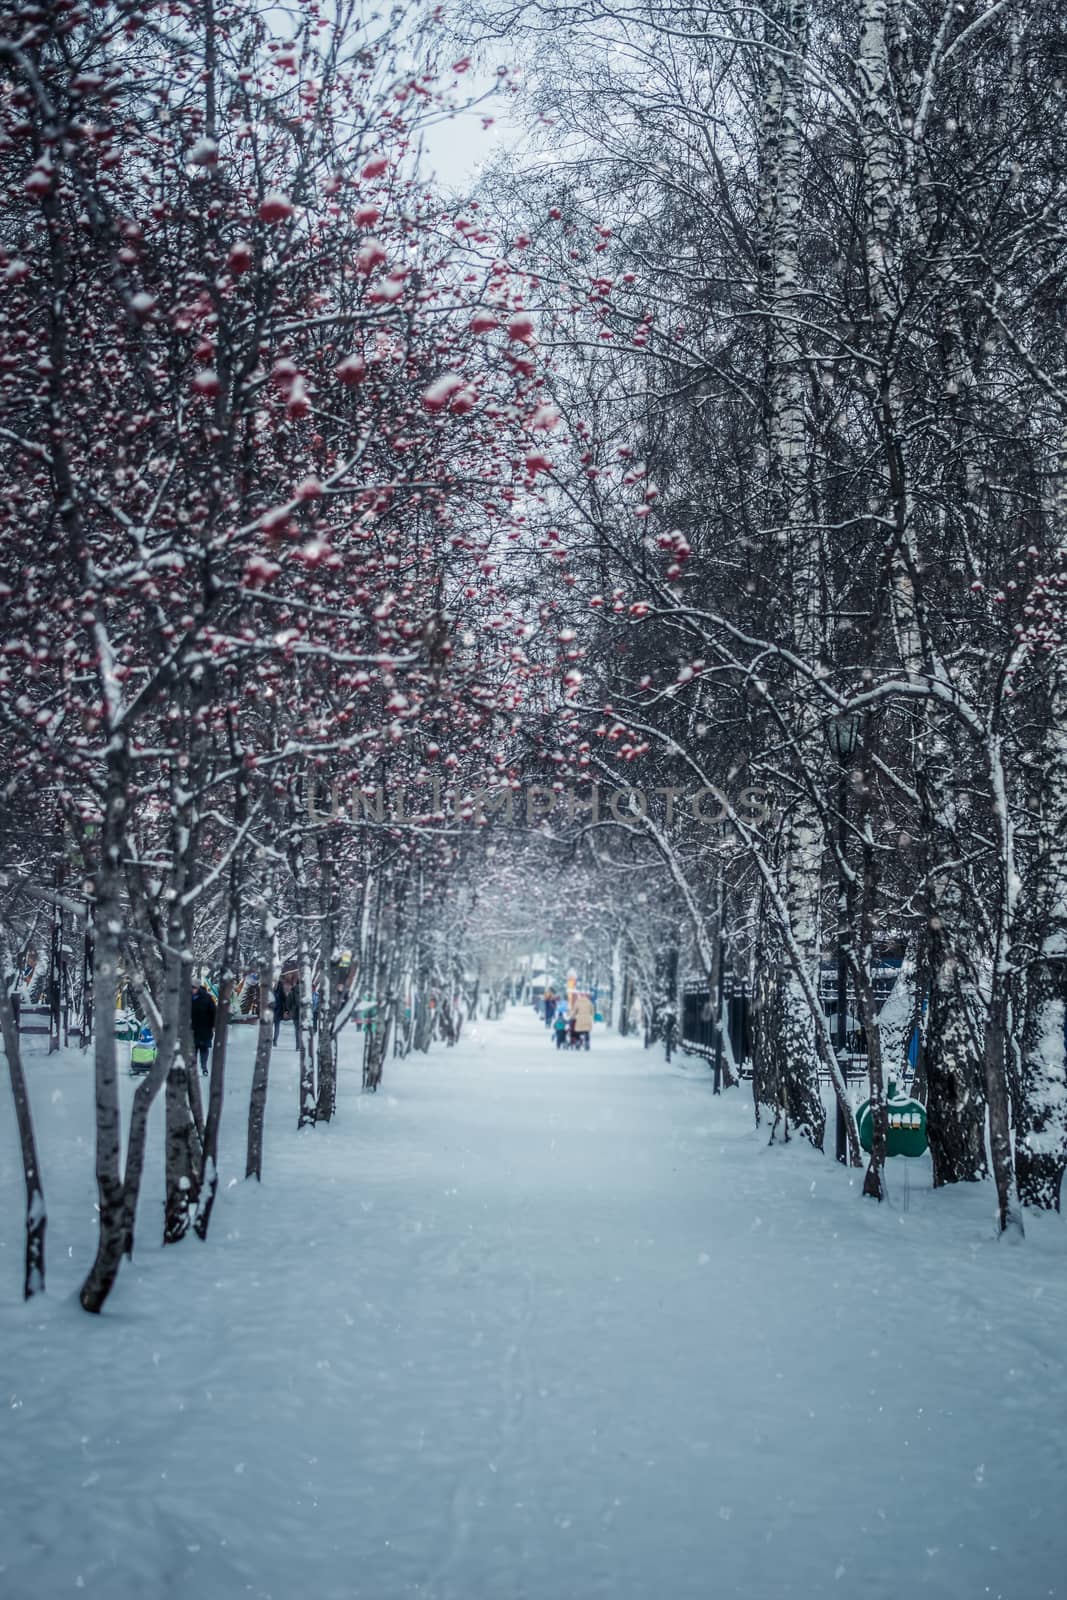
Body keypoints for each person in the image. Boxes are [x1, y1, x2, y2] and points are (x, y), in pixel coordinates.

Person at [191, 980, 216, 1075]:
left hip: (205, 1028)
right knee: (192, 1050)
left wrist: (213, 1025)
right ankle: (192, 1069)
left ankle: (204, 1068)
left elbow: (213, 1013)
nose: (192, 989)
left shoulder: (207, 998)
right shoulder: (188, 998)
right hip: (192, 1029)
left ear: (198, 988)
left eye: (194, 988)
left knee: (203, 1049)